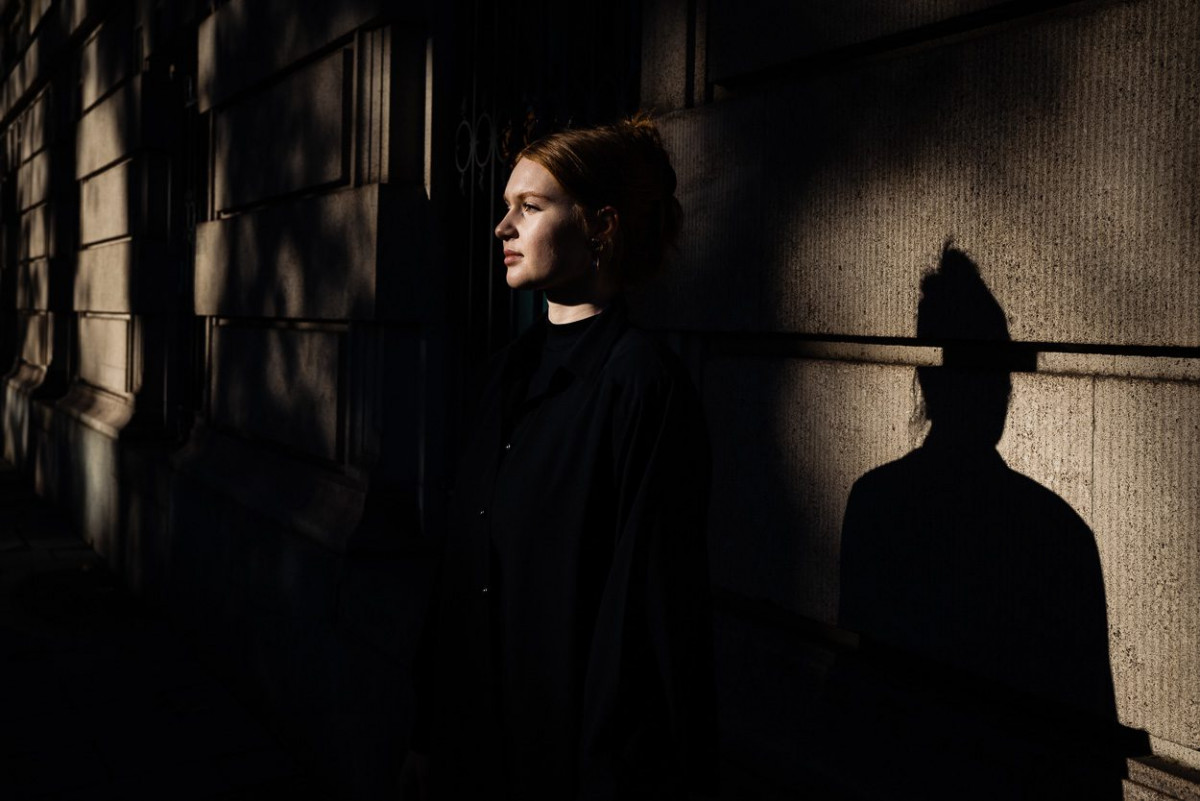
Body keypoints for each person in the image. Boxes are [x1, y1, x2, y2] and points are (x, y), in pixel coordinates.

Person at [400, 116, 718, 800]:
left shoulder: (641, 385)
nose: (502, 228)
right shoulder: (502, 376)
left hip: (566, 763)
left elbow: (646, 616)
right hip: (471, 747)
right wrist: (426, 731)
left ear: (600, 226)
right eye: (506, 206)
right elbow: (459, 567)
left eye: (531, 207)